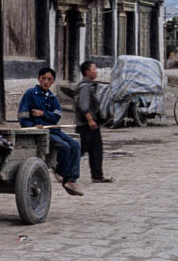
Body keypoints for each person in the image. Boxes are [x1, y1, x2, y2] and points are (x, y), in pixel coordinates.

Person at [18, 67, 83, 196]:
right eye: (44, 78)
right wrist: (33, 126)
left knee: (75, 144)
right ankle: (61, 173)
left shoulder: (52, 97)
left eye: (49, 79)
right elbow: (22, 116)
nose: (46, 82)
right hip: (39, 132)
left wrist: (42, 113)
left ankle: (72, 180)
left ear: (53, 81)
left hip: (53, 129)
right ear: (39, 79)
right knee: (64, 146)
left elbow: (57, 116)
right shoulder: (30, 94)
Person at [76, 61, 113, 183]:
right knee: (79, 150)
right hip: (85, 125)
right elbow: (83, 105)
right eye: (94, 69)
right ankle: (60, 168)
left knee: (96, 150)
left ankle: (97, 176)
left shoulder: (90, 85)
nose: (96, 71)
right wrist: (90, 120)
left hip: (92, 124)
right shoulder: (85, 87)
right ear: (87, 72)